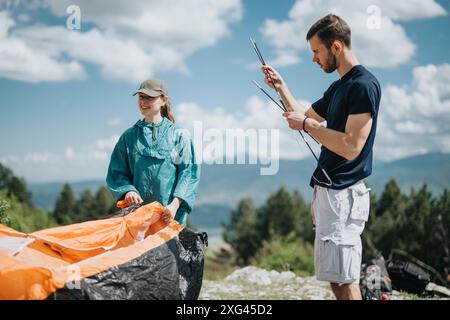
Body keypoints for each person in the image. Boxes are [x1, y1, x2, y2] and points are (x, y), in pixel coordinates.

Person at [261, 14, 381, 300]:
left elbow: (351, 146)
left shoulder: (363, 85)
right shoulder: (339, 87)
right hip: (329, 194)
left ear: (336, 47)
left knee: (345, 279)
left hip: (343, 195)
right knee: (336, 280)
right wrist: (280, 86)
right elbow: (304, 116)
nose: (314, 59)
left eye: (317, 51)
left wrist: (306, 125)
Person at [106, 79, 200, 226]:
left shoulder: (180, 135)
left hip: (169, 218)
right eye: (141, 97)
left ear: (163, 100)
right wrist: (128, 191)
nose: (143, 101)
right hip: (136, 220)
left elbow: (188, 173)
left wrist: (175, 205)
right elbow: (117, 172)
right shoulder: (128, 137)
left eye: (149, 97)